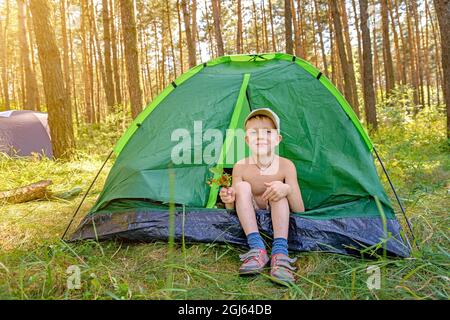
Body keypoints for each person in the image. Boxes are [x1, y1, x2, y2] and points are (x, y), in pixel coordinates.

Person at [219, 108, 305, 284]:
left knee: (278, 190)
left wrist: (286, 189)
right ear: (246, 139)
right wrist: (228, 198)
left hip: (278, 215)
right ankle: (257, 248)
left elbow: (299, 209)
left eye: (267, 131)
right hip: (251, 214)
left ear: (277, 139)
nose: (260, 136)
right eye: (254, 132)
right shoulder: (240, 166)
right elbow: (233, 205)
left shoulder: (286, 166)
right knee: (242, 187)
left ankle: (280, 253)